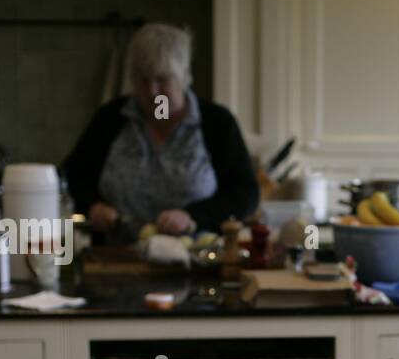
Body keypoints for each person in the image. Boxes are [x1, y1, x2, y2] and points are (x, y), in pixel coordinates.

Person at [62, 23, 258, 240]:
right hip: (115, 255)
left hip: (196, 252)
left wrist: (192, 217)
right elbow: (72, 177)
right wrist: (93, 206)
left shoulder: (217, 123)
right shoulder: (110, 118)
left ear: (184, 76)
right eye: (143, 80)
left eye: (162, 79)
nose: (153, 91)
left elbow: (244, 194)